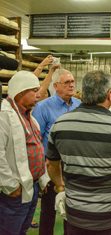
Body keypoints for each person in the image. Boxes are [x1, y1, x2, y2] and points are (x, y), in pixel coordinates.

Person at [46, 70, 111, 235]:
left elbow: (51, 164)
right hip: (110, 219)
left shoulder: (60, 125)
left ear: (84, 93)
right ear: (109, 94)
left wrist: (60, 185)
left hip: (75, 216)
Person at [0, 71, 50, 235]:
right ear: (21, 91)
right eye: (34, 91)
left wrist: (43, 178)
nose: (38, 95)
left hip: (31, 186)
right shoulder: (4, 117)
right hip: (14, 191)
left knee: (22, 229)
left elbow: (36, 148)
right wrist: (11, 186)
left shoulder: (30, 117)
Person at [32, 68, 81, 235]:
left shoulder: (79, 105)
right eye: (66, 82)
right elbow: (36, 141)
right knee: (48, 210)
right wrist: (41, 174)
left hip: (74, 166)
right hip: (51, 165)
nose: (71, 85)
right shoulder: (43, 107)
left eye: (72, 81)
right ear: (55, 86)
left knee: (73, 210)